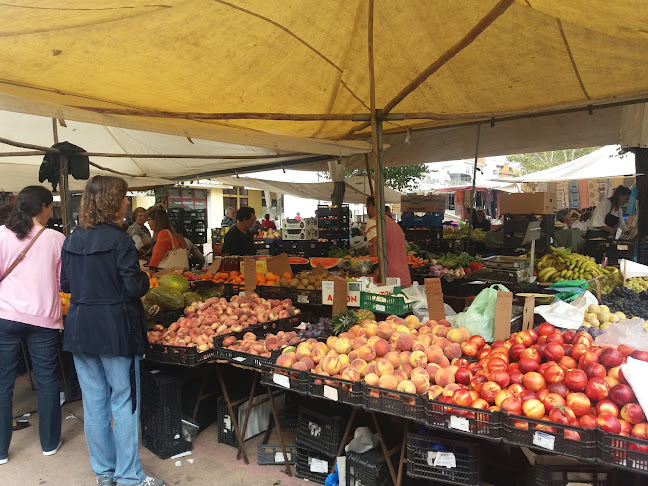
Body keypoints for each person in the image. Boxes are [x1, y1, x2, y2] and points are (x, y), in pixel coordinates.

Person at [61, 176, 165, 486]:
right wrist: (144, 278)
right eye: (123, 197)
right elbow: (134, 286)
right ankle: (129, 476)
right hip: (116, 330)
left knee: (94, 403)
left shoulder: (72, 240)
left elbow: (66, 285)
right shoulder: (120, 241)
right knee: (124, 401)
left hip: (80, 328)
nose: (127, 202)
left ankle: (104, 473)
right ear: (113, 202)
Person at [0, 187, 64, 466]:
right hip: (44, 320)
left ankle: (1, 451)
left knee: (3, 383)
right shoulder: (56, 239)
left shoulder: (2, 234)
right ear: (44, 207)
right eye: (51, 207)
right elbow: (65, 283)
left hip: (6, 316)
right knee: (48, 380)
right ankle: (49, 444)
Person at [365, 196, 411, 286]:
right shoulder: (395, 225)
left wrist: (375, 271)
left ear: (370, 206)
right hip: (404, 277)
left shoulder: (374, 222)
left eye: (366, 207)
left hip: (388, 279)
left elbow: (376, 248)